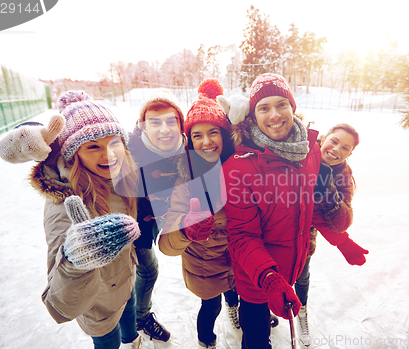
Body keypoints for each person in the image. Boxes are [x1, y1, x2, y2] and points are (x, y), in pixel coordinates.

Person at [222, 73, 362, 349]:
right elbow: (241, 236)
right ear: (253, 115)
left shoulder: (309, 151)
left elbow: (309, 208)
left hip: (292, 265)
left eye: (281, 104)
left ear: (292, 107)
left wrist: (342, 241)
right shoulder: (239, 168)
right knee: (257, 341)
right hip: (255, 279)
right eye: (264, 107)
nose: (274, 115)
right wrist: (269, 279)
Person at [29, 91, 143, 349]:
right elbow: (59, 304)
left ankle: (133, 341)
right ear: (73, 153)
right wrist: (74, 260)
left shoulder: (122, 177)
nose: (109, 154)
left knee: (129, 320)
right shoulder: (64, 204)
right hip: (97, 302)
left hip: (126, 281)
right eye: (93, 146)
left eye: (114, 142)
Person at [158, 79, 239, 349]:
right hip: (205, 266)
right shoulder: (185, 178)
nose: (206, 142)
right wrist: (186, 229)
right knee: (210, 307)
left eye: (213, 132)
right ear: (189, 140)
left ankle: (235, 310)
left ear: (224, 134)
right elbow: (166, 244)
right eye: (197, 135)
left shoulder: (238, 166)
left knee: (234, 293)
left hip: (237, 259)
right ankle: (207, 342)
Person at [294, 123, 369, 342]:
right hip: (276, 229)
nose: (336, 150)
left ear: (350, 153)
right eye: (334, 141)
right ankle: (272, 307)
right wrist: (342, 242)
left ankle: (302, 310)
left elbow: (342, 221)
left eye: (345, 148)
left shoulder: (343, 175)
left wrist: (327, 191)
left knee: (301, 275)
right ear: (324, 137)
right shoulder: (301, 151)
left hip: (304, 237)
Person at [125, 88, 187, 342]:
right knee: (145, 270)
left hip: (156, 222)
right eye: (155, 122)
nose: (164, 129)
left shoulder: (187, 148)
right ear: (142, 127)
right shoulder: (128, 153)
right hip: (131, 225)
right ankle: (138, 319)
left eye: (171, 121)